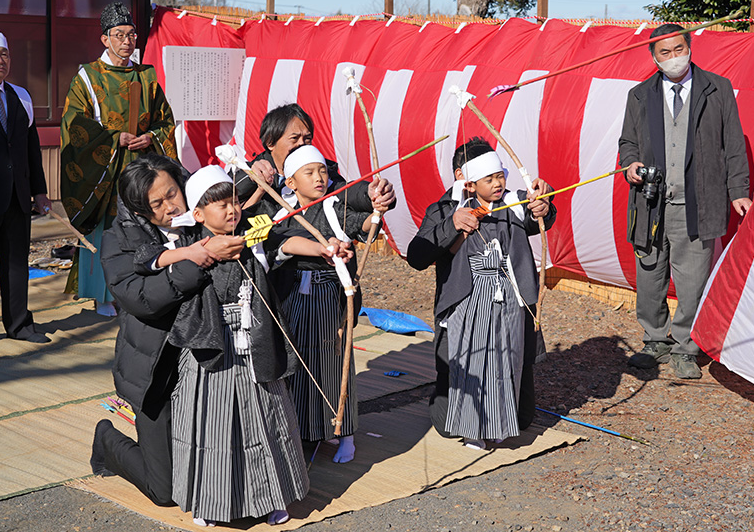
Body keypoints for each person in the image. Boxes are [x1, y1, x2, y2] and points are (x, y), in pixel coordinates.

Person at [167, 165, 352, 527]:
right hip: (212, 352)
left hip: (257, 346)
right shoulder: (186, 246)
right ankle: (209, 502)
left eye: (235, 201)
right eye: (220, 205)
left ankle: (274, 498)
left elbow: (284, 240)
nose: (232, 209)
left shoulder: (253, 234)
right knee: (212, 426)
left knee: (267, 422)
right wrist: (202, 252)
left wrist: (322, 248)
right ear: (200, 214)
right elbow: (156, 267)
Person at [91, 154, 245, 506]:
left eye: (172, 194)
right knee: (166, 492)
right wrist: (194, 261)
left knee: (211, 465)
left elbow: (239, 195)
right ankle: (107, 442)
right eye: (156, 204)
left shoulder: (202, 215)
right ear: (140, 210)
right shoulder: (119, 240)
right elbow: (140, 298)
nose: (171, 208)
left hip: (208, 362)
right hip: (155, 370)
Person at [619, 23, 752, 380]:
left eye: (679, 49)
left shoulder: (717, 89)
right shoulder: (639, 94)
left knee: (693, 279)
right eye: (665, 53)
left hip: (698, 202)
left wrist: (739, 191)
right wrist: (629, 165)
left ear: (690, 48)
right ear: (653, 57)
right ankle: (655, 339)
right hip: (650, 204)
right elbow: (627, 143)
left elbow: (734, 145)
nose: (674, 58)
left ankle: (685, 347)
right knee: (650, 275)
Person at [406, 138, 556, 449]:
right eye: (490, 178)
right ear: (466, 180)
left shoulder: (513, 203)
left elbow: (536, 216)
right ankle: (469, 422)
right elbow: (418, 255)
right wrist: (451, 226)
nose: (499, 183)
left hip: (507, 302)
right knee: (466, 378)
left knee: (509, 369)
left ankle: (500, 418)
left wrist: (544, 204)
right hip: (468, 303)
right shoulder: (445, 209)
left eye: (501, 175)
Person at [60, 1, 177, 316]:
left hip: (140, 165)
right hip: (104, 170)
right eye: (119, 35)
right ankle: (104, 295)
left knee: (143, 226)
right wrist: (114, 139)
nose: (127, 41)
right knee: (109, 229)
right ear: (105, 39)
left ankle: (142, 289)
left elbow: (165, 120)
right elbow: (75, 125)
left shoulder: (146, 76)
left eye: (131, 35)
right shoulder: (87, 77)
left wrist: (151, 137)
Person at [274, 145, 389, 464]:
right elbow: (274, 245)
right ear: (291, 182)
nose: (319, 178)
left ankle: (346, 435)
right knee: (298, 365)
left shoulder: (334, 208)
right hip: (294, 295)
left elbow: (362, 224)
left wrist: (377, 213)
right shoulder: (282, 213)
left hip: (330, 297)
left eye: (323, 171)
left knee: (335, 362)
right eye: (309, 173)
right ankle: (306, 431)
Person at [0, 31, 51, 346]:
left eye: (4, 54)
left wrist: (39, 190)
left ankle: (20, 325)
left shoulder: (21, 96)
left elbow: (31, 150)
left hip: (17, 197)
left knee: (15, 264)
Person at [235, 103, 394, 218]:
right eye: (294, 138)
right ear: (270, 142)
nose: (301, 144)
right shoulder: (251, 170)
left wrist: (370, 193)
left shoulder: (320, 169)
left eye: (307, 138)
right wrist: (252, 178)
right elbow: (223, 198)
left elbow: (343, 190)